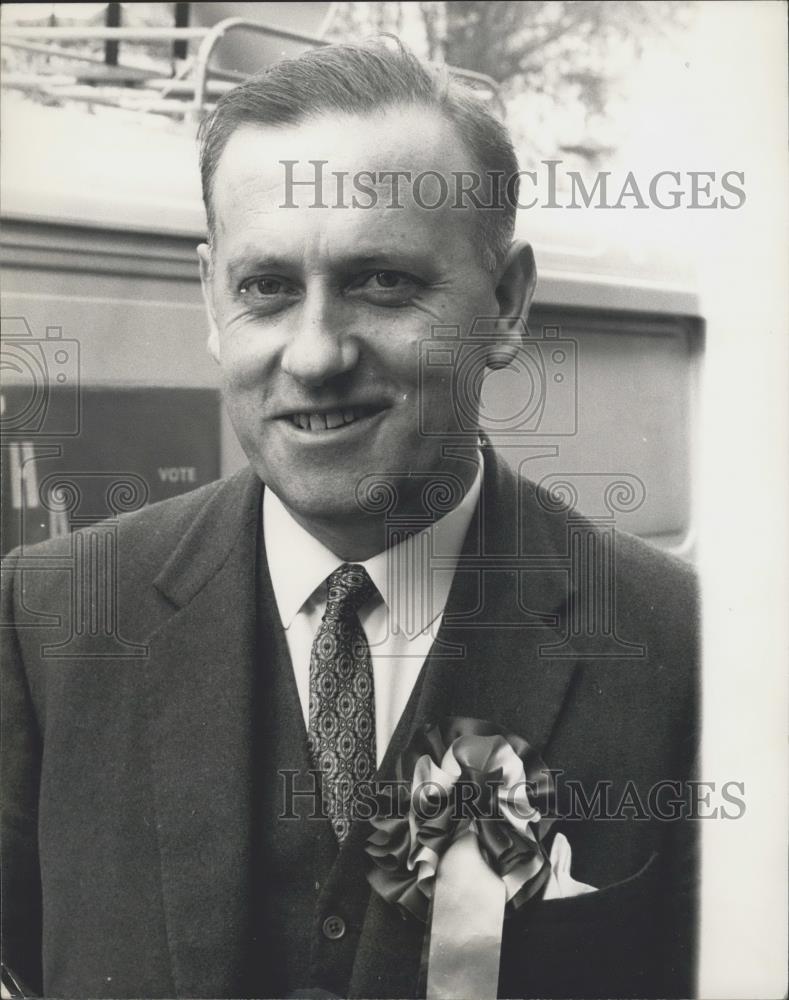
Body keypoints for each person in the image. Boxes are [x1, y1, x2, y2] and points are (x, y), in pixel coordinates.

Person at [1, 39, 699, 999]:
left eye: (383, 283)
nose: (316, 354)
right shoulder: (47, 619)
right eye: (267, 288)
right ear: (212, 300)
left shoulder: (681, 648)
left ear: (505, 304)